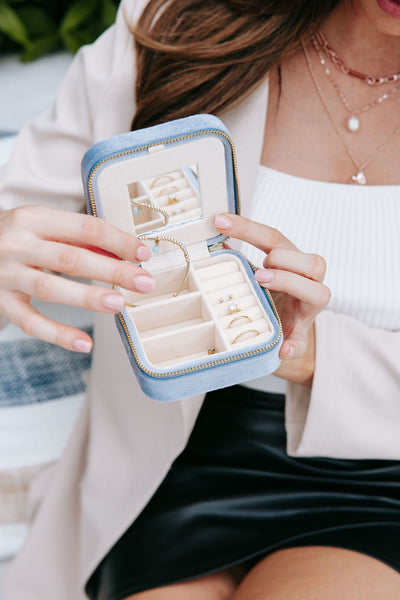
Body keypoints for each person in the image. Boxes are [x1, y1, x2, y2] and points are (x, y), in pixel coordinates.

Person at [1, 0, 400, 598]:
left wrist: (311, 352)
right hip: (174, 454)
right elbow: (23, 210)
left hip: (383, 474)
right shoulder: (178, 24)